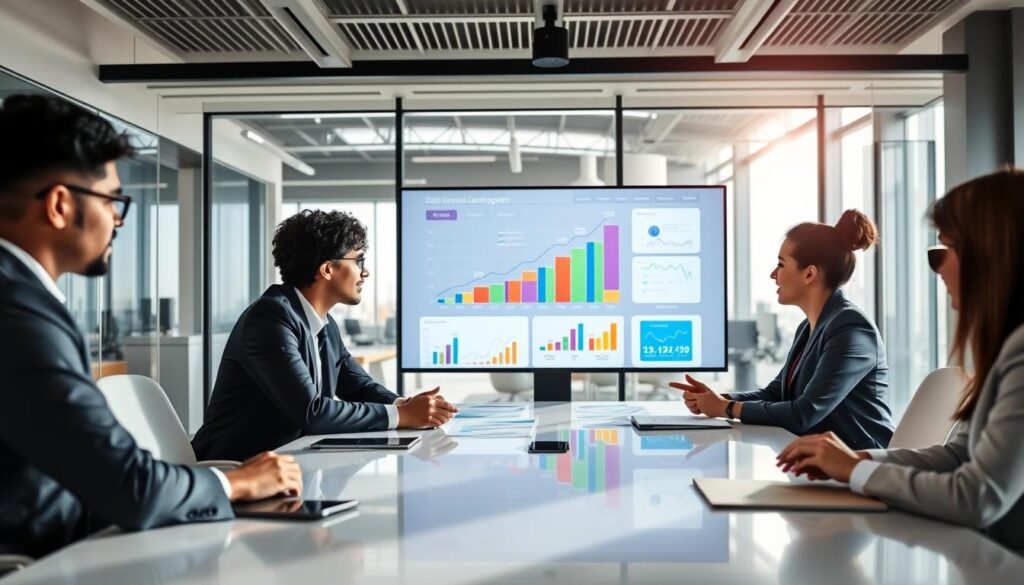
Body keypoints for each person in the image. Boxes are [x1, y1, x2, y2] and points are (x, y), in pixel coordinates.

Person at [0, 95, 301, 558]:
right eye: (112, 200)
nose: (118, 220)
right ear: (59, 205)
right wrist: (236, 482)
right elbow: (128, 486)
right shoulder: (19, 316)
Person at [775, 168, 1024, 552]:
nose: (937, 267)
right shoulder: (1006, 346)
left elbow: (977, 496)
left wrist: (855, 470)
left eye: (945, 250)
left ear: (991, 254)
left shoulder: (1019, 353)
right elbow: (958, 455)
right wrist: (856, 460)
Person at [192, 210, 458, 462]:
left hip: (288, 464)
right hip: (233, 471)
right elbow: (312, 412)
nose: (365, 272)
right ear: (328, 269)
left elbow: (358, 386)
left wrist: (406, 404)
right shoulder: (269, 318)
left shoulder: (325, 324)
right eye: (359, 260)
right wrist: (401, 415)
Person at [674, 209, 894, 449]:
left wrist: (725, 408)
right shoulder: (809, 326)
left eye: (780, 264)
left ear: (809, 273)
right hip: (820, 456)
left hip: (861, 462)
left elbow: (804, 413)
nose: (773, 274)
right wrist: (718, 399)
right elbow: (776, 393)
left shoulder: (851, 328)